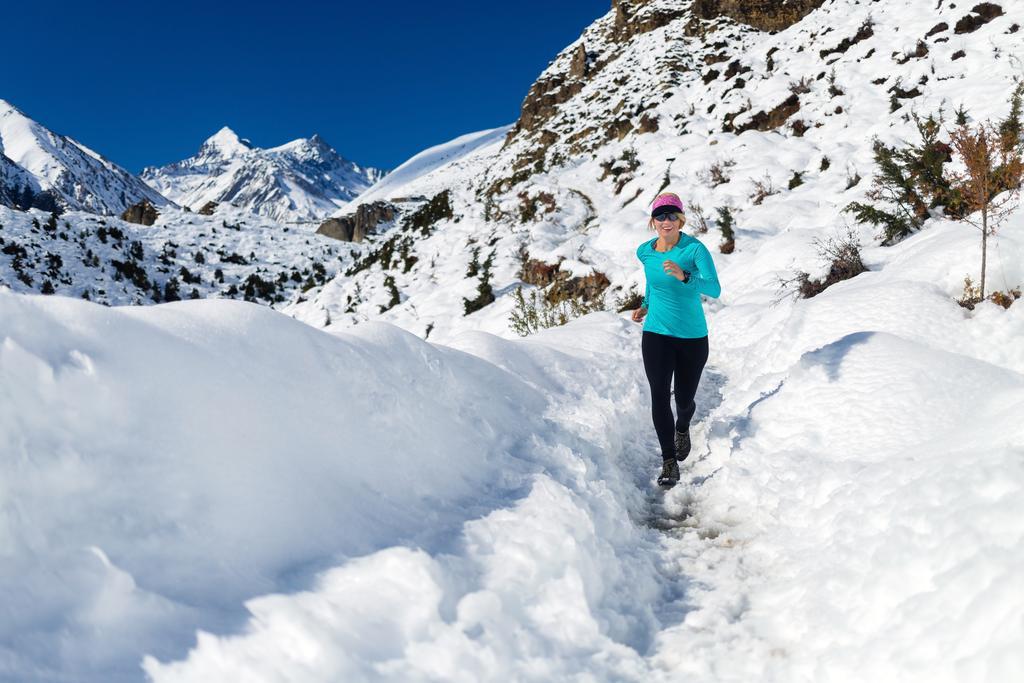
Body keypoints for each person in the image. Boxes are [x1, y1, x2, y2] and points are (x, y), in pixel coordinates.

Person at [631, 192, 721, 487]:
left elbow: (714, 288)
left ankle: (683, 426)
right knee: (659, 394)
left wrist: (685, 277)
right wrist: (646, 304)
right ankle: (669, 461)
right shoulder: (645, 251)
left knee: (683, 400)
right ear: (653, 221)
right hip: (656, 333)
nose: (666, 221)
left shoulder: (694, 250)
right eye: (660, 216)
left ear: (680, 219)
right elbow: (652, 282)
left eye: (672, 216)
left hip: (692, 337)